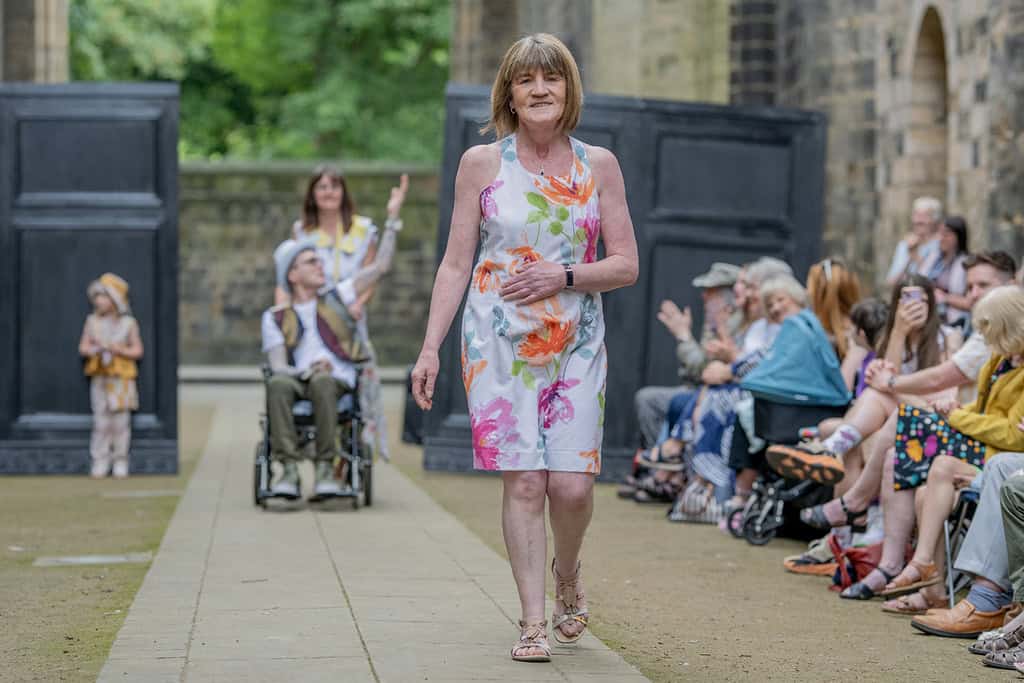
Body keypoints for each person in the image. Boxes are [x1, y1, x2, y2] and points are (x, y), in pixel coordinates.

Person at [409, 33, 638, 663]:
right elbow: (457, 263)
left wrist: (563, 276)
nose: (539, 91)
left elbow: (625, 265)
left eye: (552, 79)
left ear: (569, 90)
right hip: (497, 341)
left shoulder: (600, 165)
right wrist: (429, 348)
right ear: (508, 92)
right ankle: (533, 621)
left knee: (571, 486)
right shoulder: (481, 164)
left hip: (575, 341)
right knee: (527, 482)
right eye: (525, 80)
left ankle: (569, 575)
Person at [277, 165, 409, 461]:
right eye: (321, 187)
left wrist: (357, 304)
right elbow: (289, 276)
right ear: (312, 194)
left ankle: (349, 451)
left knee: (353, 381)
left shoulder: (363, 229)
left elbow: (374, 271)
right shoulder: (302, 231)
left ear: (343, 192)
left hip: (347, 314)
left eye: (334, 186)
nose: (328, 192)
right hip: (311, 316)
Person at [262, 221, 402, 499]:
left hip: (335, 380)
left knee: (324, 381)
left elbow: (380, 268)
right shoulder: (275, 316)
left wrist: (392, 222)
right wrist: (306, 371)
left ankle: (325, 467)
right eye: (311, 261)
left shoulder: (338, 296)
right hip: (297, 378)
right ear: (292, 274)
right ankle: (288, 470)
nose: (320, 265)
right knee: (277, 383)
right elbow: (278, 366)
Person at [633, 261, 740, 448]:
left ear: (728, 297)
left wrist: (683, 337)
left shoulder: (732, 324)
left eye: (711, 292)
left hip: (719, 395)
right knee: (649, 399)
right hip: (702, 390)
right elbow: (696, 372)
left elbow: (703, 370)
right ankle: (661, 462)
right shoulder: (717, 322)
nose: (704, 296)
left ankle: (665, 462)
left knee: (653, 400)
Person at [78, 273, 144, 479]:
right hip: (101, 377)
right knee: (101, 421)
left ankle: (120, 460)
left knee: (121, 423)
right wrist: (95, 350)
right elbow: (83, 347)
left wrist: (119, 350)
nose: (99, 301)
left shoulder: (128, 324)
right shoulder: (92, 322)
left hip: (121, 379)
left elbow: (137, 350)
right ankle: (100, 460)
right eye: (97, 296)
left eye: (104, 296)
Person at [885, 196, 942, 287]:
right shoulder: (904, 245)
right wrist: (909, 258)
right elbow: (891, 282)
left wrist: (916, 256)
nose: (919, 220)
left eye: (925, 216)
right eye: (916, 215)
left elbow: (933, 283)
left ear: (934, 220)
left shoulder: (940, 245)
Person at [925, 215, 971, 327]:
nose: (941, 238)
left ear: (958, 237)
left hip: (955, 322)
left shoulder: (967, 263)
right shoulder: (933, 258)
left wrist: (945, 298)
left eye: (947, 234)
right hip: (930, 320)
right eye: (939, 233)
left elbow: (972, 302)